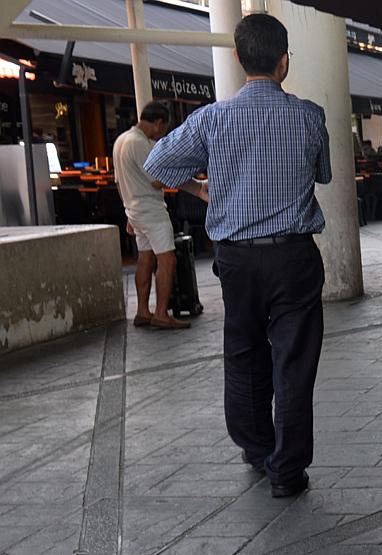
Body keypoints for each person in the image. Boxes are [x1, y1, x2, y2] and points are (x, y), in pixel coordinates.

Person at [145, 12, 329, 499]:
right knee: (294, 361)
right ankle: (287, 470)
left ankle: (256, 447)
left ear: (237, 58)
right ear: (284, 61)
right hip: (294, 256)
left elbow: (156, 162)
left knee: (244, 352)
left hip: (237, 259)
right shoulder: (309, 116)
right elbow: (324, 173)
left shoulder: (212, 118)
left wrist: (199, 189)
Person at [113, 101, 206, 329]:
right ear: (158, 123)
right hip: (151, 210)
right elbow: (156, 180)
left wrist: (128, 212)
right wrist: (190, 180)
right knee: (167, 259)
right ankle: (162, 313)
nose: (162, 135)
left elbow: (118, 183)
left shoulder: (121, 140)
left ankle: (142, 311)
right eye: (163, 129)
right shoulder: (140, 143)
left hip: (134, 209)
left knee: (145, 259)